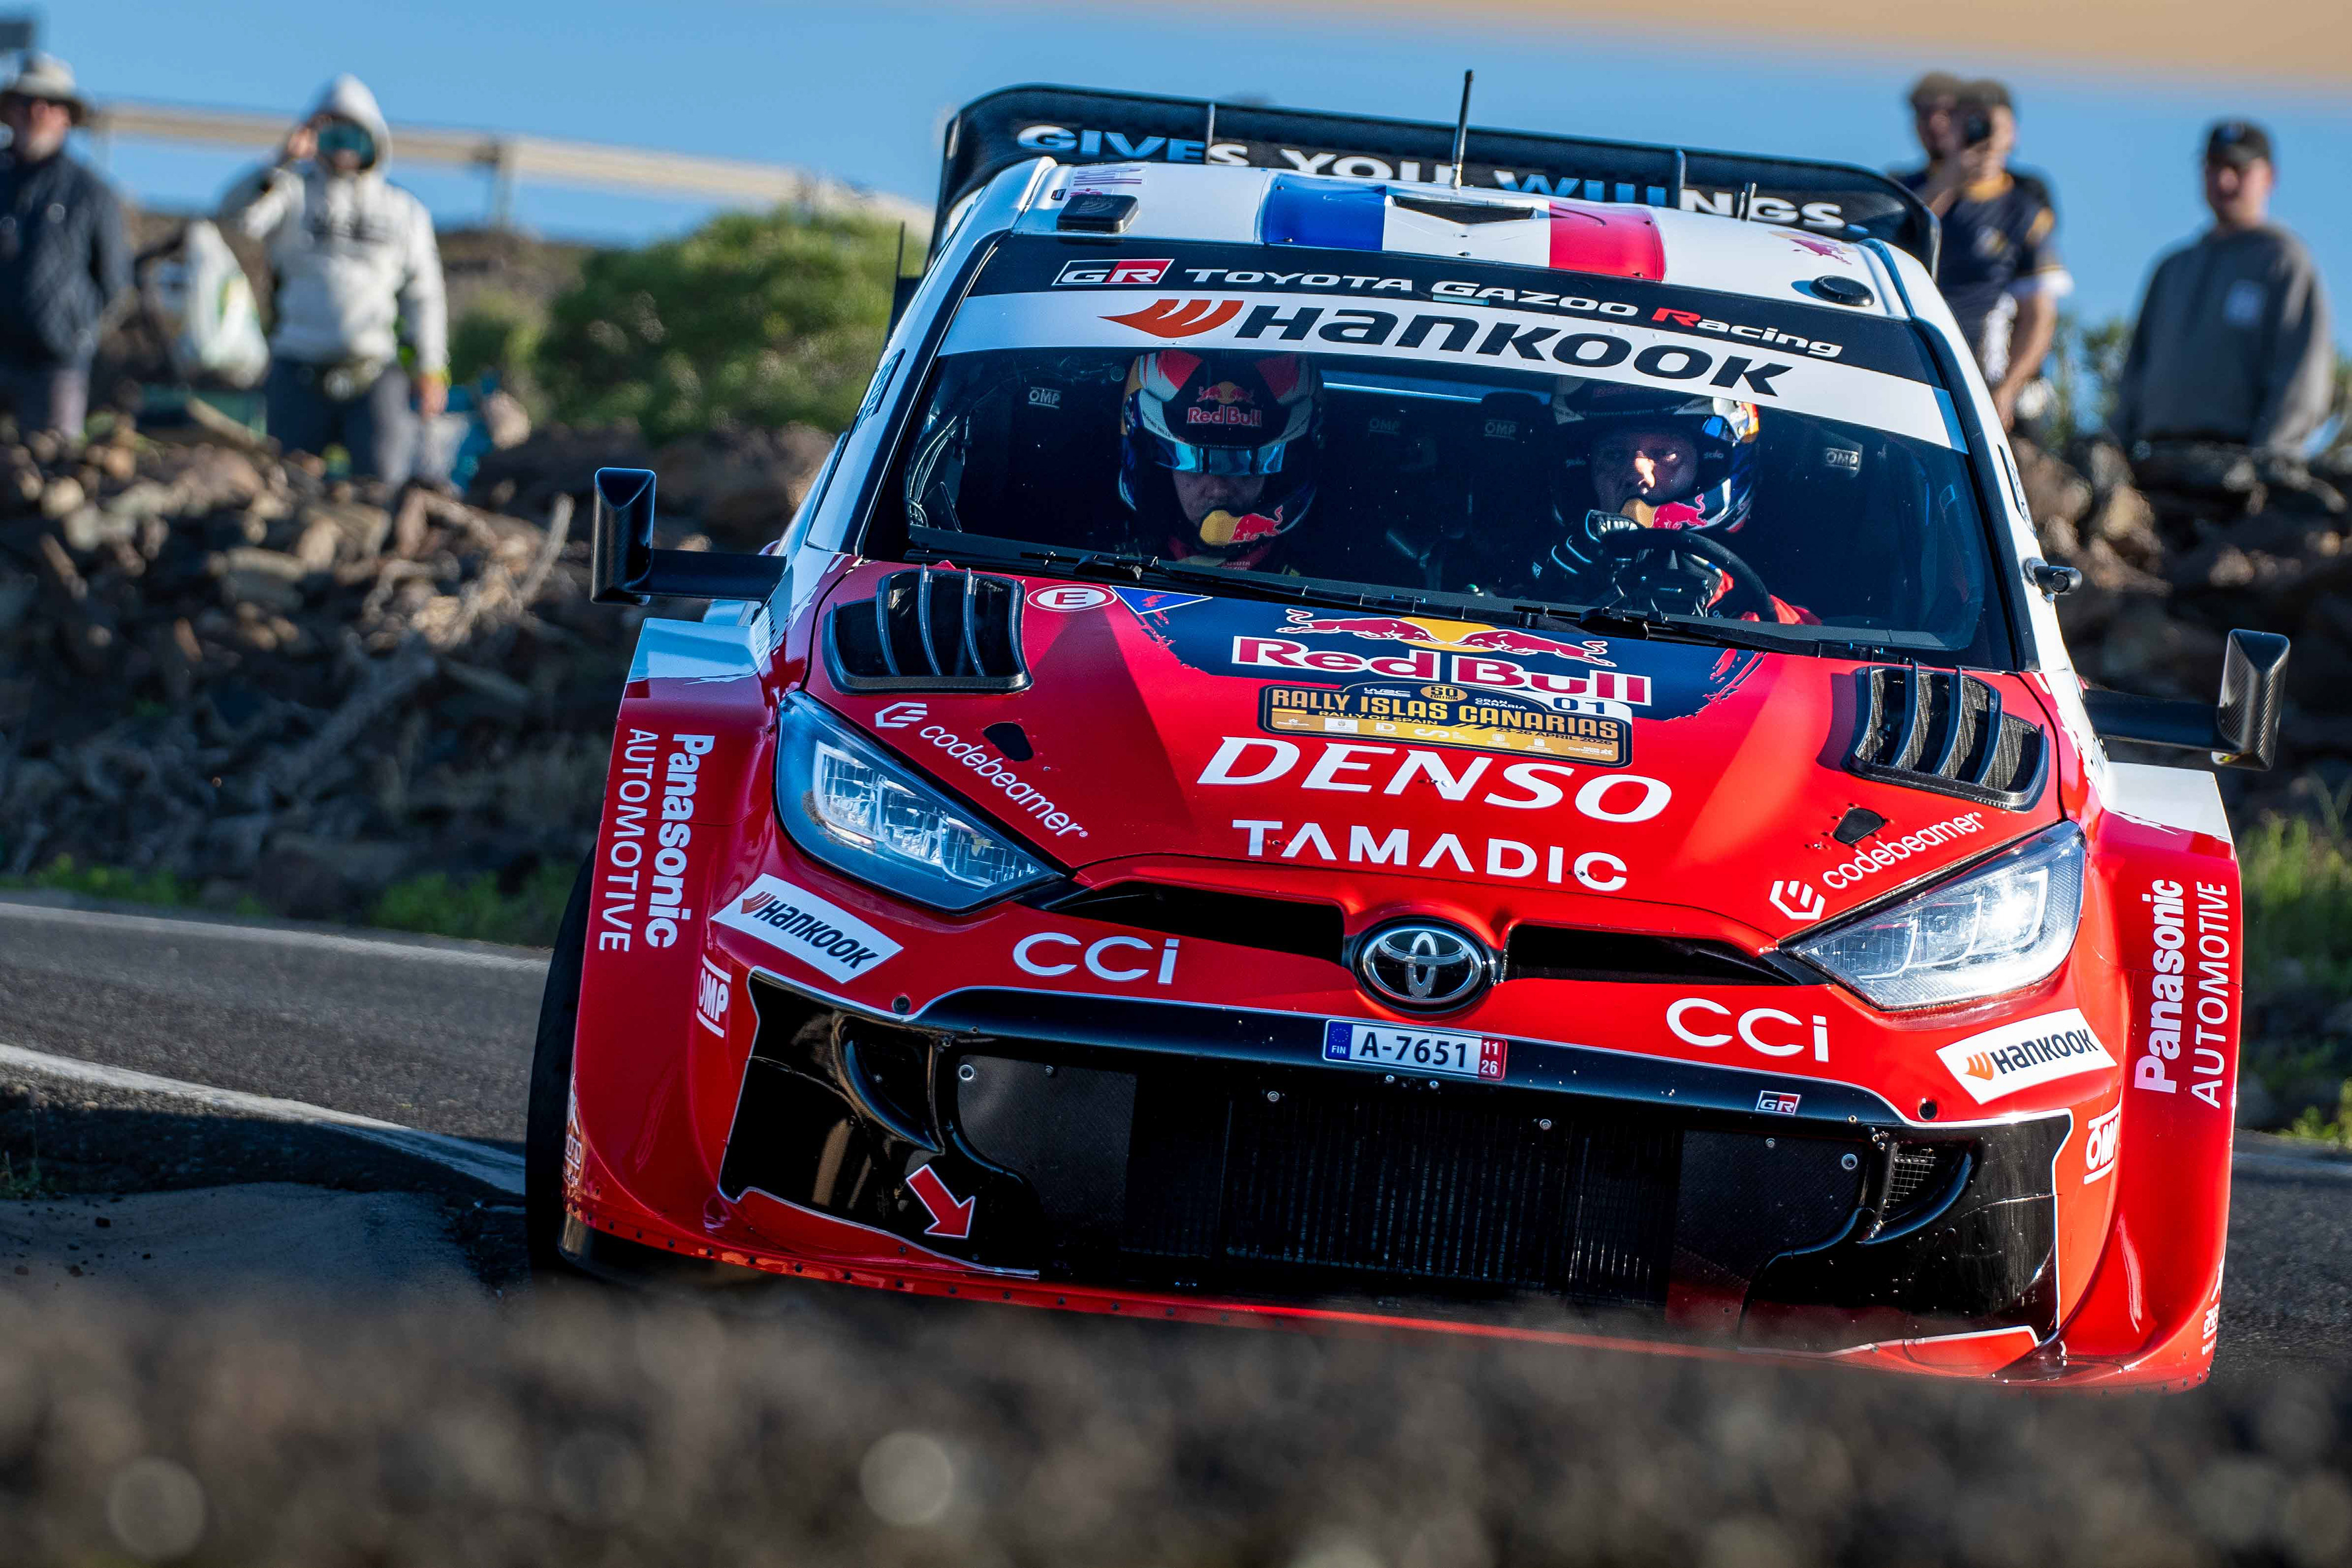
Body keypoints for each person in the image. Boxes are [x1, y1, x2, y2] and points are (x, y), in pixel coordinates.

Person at [220, 74, 447, 484]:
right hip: (297, 370)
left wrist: (431, 367)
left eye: (354, 133)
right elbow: (236, 218)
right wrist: (280, 161)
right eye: (331, 132)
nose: (343, 145)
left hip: (373, 370)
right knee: (287, 485)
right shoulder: (289, 193)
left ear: (375, 138)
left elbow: (425, 294)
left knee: (382, 485)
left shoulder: (403, 210)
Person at [2110, 120, 2335, 486]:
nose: (2224, 180)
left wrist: (2268, 467)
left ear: (2269, 177)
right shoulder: (2173, 268)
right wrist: (2116, 452)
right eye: (2214, 167)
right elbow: (2135, 370)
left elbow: (2302, 375)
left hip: (2236, 472)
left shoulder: (2284, 263)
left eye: (2238, 168)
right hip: (2155, 467)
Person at [1529, 383, 1813, 624]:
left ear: (1707, 467)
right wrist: (1547, 596)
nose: (1637, 473)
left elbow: (1808, 650)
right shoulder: (1542, 559)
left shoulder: (1772, 572)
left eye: (1665, 454)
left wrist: (1719, 596)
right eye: (1614, 455)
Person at [1895, 78, 2071, 429]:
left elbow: (2039, 312)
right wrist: (1948, 181)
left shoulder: (2025, 207)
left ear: (2013, 133)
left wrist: (2008, 388)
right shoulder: (1906, 191)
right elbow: (1894, 243)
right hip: (1908, 363)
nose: (1984, 137)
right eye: (1972, 125)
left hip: (1986, 374)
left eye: (1994, 127)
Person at [0, 54, 129, 440]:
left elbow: (115, 281)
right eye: (27, 101)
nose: (37, 112)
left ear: (68, 117)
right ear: (9, 111)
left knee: (52, 463)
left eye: (51, 103)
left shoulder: (92, 193)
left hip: (55, 365)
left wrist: (75, 331)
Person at [1117, 349, 1322, 569]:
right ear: (1156, 472)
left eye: (1243, 468)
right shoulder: (1101, 553)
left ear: (1283, 475)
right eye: (1192, 465)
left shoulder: (1328, 568)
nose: (1218, 489)